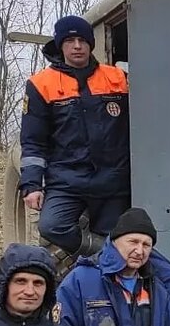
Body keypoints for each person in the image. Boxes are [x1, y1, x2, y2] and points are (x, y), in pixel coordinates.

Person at [19, 14, 130, 257]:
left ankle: (109, 268)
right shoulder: (41, 84)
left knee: (120, 237)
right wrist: (32, 185)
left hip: (113, 181)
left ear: (90, 43)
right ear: (60, 45)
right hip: (67, 181)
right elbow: (33, 141)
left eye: (82, 40)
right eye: (70, 41)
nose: (77, 46)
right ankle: (106, 253)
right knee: (51, 226)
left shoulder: (117, 78)